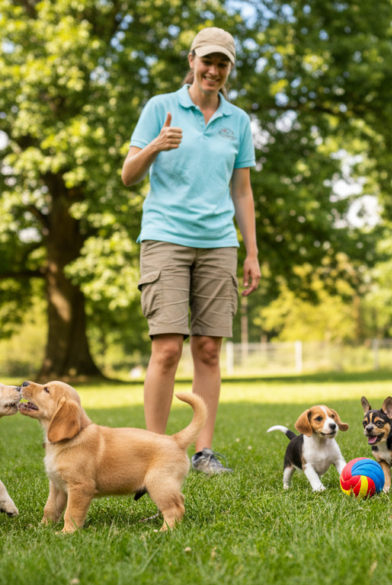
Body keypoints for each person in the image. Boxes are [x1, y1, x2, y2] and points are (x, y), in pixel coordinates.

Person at [121, 27, 260, 474]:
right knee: (166, 349)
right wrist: (155, 146)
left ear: (229, 70)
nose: (214, 71)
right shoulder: (160, 108)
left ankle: (203, 452)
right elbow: (127, 174)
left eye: (223, 65)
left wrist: (251, 252)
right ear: (192, 60)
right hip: (165, 237)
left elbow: (242, 191)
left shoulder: (237, 121)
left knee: (208, 350)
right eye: (208, 62)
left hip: (219, 242)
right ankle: (155, 451)